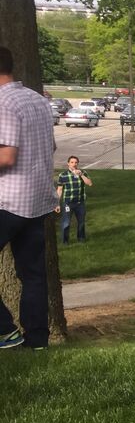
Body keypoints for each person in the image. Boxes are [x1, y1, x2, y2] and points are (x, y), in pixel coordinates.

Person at [0, 47, 58, 350]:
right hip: (37, 201)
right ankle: (37, 340)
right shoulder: (37, 100)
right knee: (33, 274)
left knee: (33, 273)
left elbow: (7, 157)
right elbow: (51, 147)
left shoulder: (3, 103)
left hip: (8, 201)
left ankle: (5, 330)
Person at [55, 155, 93, 243]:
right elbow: (59, 190)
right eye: (72, 162)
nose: (74, 164)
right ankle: (65, 241)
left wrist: (81, 175)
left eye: (76, 162)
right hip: (68, 203)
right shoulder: (63, 175)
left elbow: (90, 183)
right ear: (68, 163)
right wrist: (57, 203)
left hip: (80, 203)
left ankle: (81, 239)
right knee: (66, 223)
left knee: (81, 222)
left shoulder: (83, 172)